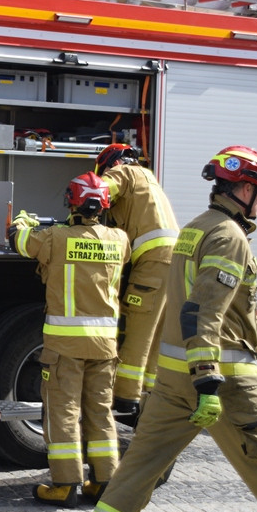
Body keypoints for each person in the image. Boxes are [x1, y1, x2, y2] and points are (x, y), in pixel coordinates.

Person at [81, 146, 257, 512]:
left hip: (171, 385)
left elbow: (210, 307)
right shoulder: (229, 237)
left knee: (135, 474)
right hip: (223, 383)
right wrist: (208, 381)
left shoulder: (195, 227)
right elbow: (203, 313)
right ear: (244, 189)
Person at [8, 172, 130, 508]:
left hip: (65, 348)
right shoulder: (119, 239)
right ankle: (105, 482)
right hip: (105, 347)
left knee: (63, 412)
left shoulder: (55, 237)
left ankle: (64, 485)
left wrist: (23, 219)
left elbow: (17, 239)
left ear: (72, 203)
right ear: (104, 205)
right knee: (100, 412)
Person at [94, 144, 179, 424]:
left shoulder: (124, 173)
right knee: (154, 335)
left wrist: (76, 218)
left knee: (137, 331)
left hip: (153, 263)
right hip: (171, 264)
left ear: (111, 164)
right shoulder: (148, 178)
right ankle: (146, 397)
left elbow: (99, 191)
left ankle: (126, 399)